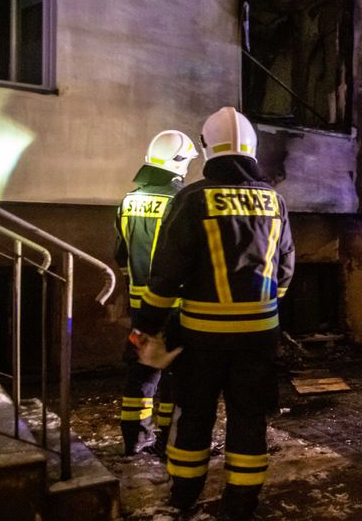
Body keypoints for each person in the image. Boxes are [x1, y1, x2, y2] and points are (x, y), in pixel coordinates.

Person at [134, 107, 295, 519]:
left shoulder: (191, 199)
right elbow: (286, 268)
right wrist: (261, 308)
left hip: (202, 337)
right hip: (260, 336)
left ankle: (184, 497)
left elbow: (166, 275)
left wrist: (146, 328)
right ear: (251, 149)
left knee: (195, 417)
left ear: (207, 150)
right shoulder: (275, 200)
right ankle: (241, 506)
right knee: (248, 419)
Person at [116, 130, 197, 456]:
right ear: (177, 162)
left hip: (141, 308)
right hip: (175, 306)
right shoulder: (181, 202)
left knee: (141, 371)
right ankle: (168, 440)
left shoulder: (129, 201)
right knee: (175, 375)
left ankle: (135, 439)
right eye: (188, 161)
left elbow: (122, 257)